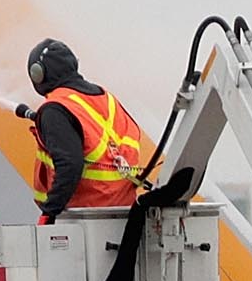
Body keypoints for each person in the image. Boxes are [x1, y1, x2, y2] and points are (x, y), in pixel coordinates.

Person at [17, 39, 156, 220]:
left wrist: (49, 214)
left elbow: (70, 165)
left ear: (38, 74)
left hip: (84, 218)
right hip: (125, 215)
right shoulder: (106, 98)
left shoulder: (55, 109)